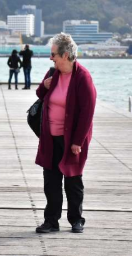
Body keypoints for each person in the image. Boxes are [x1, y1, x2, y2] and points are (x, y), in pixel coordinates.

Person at [34, 33, 96, 234]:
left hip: (72, 139)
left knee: (73, 179)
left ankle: (76, 219)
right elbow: (40, 95)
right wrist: (44, 87)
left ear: (66, 55)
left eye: (53, 54)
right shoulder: (52, 73)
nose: (51, 58)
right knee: (50, 181)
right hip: (50, 138)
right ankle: (51, 221)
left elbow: (87, 113)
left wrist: (78, 141)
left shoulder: (82, 77)